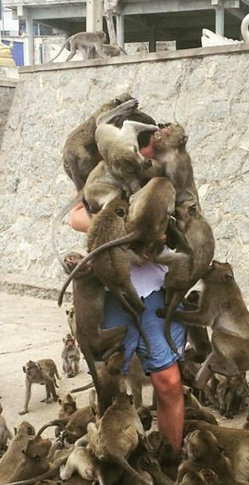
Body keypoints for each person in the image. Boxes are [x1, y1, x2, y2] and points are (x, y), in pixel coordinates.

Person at [68, 140, 186, 456]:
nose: (141, 156)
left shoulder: (166, 175)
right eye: (136, 150)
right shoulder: (104, 175)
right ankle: (114, 458)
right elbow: (76, 217)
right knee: (110, 385)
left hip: (155, 289)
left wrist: (160, 231)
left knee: (169, 382)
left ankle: (170, 457)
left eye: (146, 151)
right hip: (109, 293)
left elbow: (186, 220)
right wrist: (113, 230)